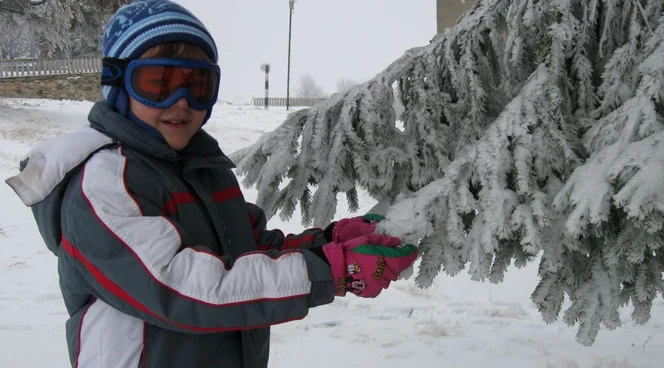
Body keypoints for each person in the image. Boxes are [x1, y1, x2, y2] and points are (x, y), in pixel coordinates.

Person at [4, 1, 418, 367]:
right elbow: (182, 287)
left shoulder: (203, 169)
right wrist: (330, 270)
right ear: (118, 86)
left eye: (197, 84)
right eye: (159, 84)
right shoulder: (104, 182)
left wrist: (328, 243)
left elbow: (249, 252)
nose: (181, 101)